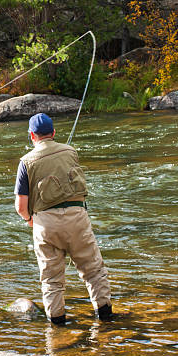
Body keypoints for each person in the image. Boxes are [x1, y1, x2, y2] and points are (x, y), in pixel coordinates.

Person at [14, 113, 113, 324]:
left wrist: (30, 220)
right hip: (77, 218)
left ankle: (57, 330)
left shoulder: (25, 162)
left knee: (51, 281)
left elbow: (21, 206)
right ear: (54, 133)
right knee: (94, 271)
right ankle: (106, 319)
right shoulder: (71, 151)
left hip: (45, 225)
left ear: (32, 136)